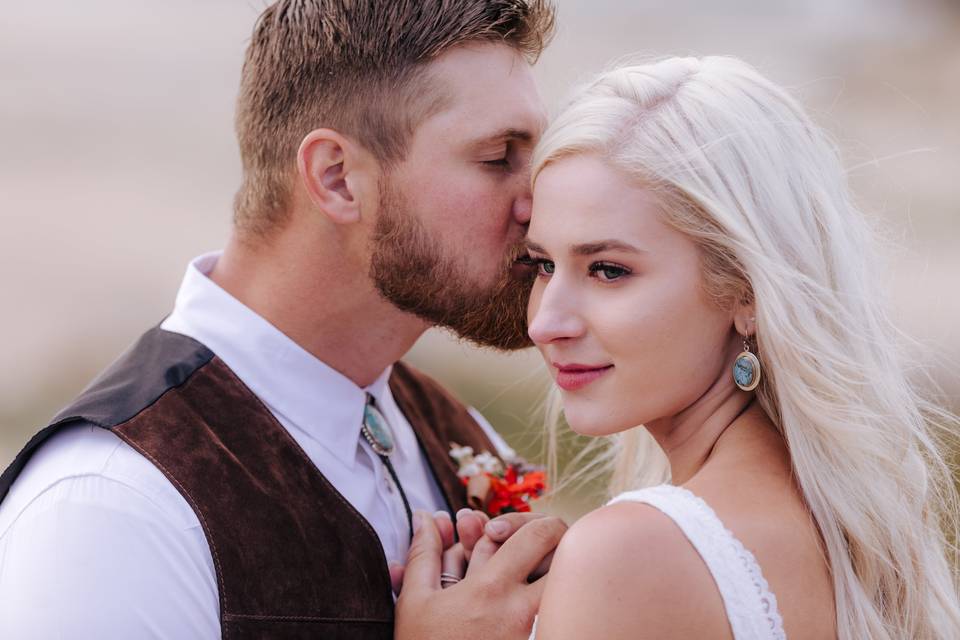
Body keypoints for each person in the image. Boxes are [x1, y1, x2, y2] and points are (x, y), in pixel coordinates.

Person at [0, 2, 566, 639]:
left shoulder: (456, 430)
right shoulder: (112, 507)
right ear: (337, 179)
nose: (539, 203)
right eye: (498, 158)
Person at [401, 56, 960, 639]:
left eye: (609, 270)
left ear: (745, 292)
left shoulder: (629, 552)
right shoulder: (847, 530)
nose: (545, 323)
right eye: (543, 264)